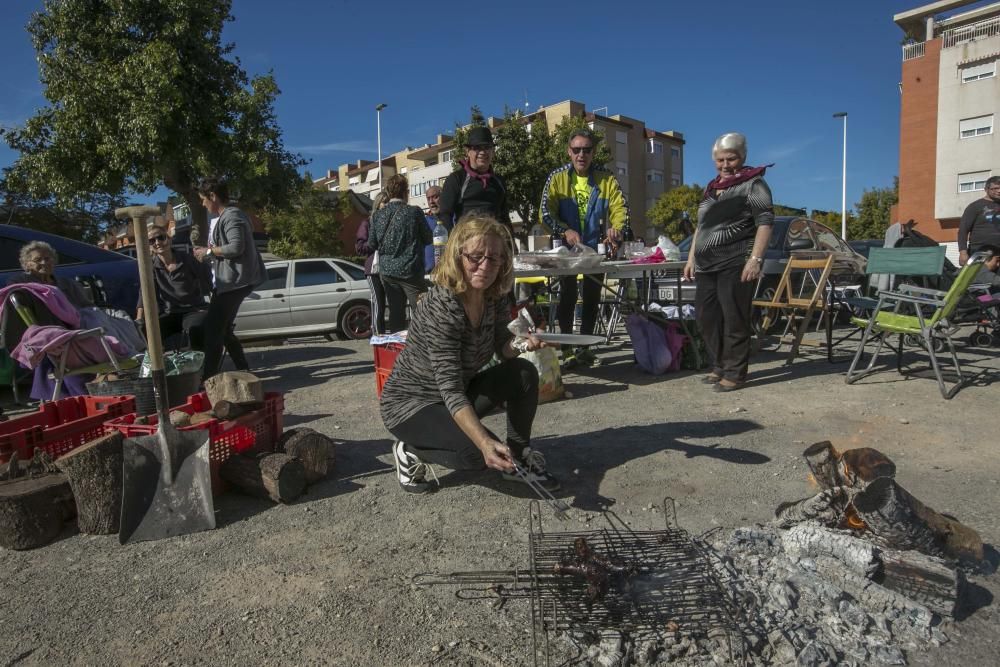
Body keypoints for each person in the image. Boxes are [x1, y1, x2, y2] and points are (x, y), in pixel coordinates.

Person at [379, 213, 557, 494]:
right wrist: (484, 443)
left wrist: (523, 343)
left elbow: (501, 345)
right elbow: (449, 388)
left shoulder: (492, 295)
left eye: (494, 258)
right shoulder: (443, 307)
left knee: (524, 373)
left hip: (455, 391)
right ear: (458, 256)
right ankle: (411, 449)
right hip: (412, 405)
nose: (485, 266)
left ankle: (520, 455)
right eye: (476, 256)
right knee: (475, 455)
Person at [683, 132, 774, 392]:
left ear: (742, 157)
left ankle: (735, 372)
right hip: (706, 264)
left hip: (735, 261)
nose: (725, 164)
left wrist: (755, 260)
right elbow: (701, 227)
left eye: (731, 159)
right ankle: (719, 364)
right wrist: (691, 259)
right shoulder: (711, 188)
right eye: (720, 159)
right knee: (706, 316)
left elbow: (765, 223)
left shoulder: (753, 185)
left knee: (734, 317)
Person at [539, 128, 630, 367]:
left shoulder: (606, 178)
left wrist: (617, 229)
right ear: (569, 152)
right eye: (577, 150)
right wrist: (563, 230)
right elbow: (545, 212)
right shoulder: (557, 178)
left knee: (591, 298)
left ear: (593, 152)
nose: (581, 155)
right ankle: (568, 350)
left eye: (586, 150)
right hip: (566, 251)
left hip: (595, 249)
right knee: (567, 297)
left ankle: (586, 348)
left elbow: (621, 209)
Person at [193, 178, 265, 381]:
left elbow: (235, 248)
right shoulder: (228, 216)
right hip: (230, 282)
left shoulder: (232, 216)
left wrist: (207, 252)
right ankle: (243, 369)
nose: (203, 204)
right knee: (223, 330)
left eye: (203, 199)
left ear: (213, 196)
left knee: (212, 330)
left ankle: (209, 379)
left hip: (234, 283)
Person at [368, 174, 432, 333]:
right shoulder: (414, 212)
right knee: (423, 312)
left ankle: (398, 352)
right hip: (411, 271)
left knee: (396, 314)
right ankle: (424, 348)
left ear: (388, 193)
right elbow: (428, 238)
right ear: (406, 192)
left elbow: (372, 244)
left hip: (388, 273)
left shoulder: (377, 215)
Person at [135, 223, 211, 349]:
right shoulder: (151, 268)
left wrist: (211, 307)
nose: (157, 242)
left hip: (193, 310)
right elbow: (144, 295)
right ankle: (160, 366)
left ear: (169, 239)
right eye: (152, 240)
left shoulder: (187, 259)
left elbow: (209, 281)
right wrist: (139, 320)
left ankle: (198, 364)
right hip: (170, 313)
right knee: (147, 332)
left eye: (161, 237)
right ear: (149, 245)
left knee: (195, 329)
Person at [438, 127, 512, 236]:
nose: (482, 152)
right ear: (468, 151)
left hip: (493, 245)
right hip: (466, 245)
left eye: (487, 147)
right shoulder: (456, 179)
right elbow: (445, 215)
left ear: (493, 151)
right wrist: (452, 246)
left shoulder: (499, 182)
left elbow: (505, 218)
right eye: (477, 148)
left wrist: (511, 248)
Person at [7, 241, 93, 309]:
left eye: (47, 259)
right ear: (27, 264)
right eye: (38, 259)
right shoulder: (19, 283)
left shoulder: (67, 284)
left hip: (79, 326)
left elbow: (88, 307)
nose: (44, 263)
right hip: (46, 327)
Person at [356, 192, 389, 335]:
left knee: (391, 303)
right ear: (378, 204)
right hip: (373, 270)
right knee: (378, 303)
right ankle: (377, 335)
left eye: (388, 202)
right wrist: (374, 242)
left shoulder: (391, 222)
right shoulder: (368, 223)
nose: (387, 205)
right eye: (384, 202)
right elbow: (360, 247)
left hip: (389, 268)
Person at [958, 176, 1000, 266]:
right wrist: (963, 253)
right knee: (981, 279)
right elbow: (963, 230)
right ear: (986, 189)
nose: (999, 191)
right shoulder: (975, 206)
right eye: (995, 188)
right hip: (981, 251)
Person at [423, 184, 443, 271]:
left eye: (435, 197)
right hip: (429, 275)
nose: (431, 201)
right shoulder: (424, 221)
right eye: (428, 198)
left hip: (449, 272)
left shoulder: (453, 218)